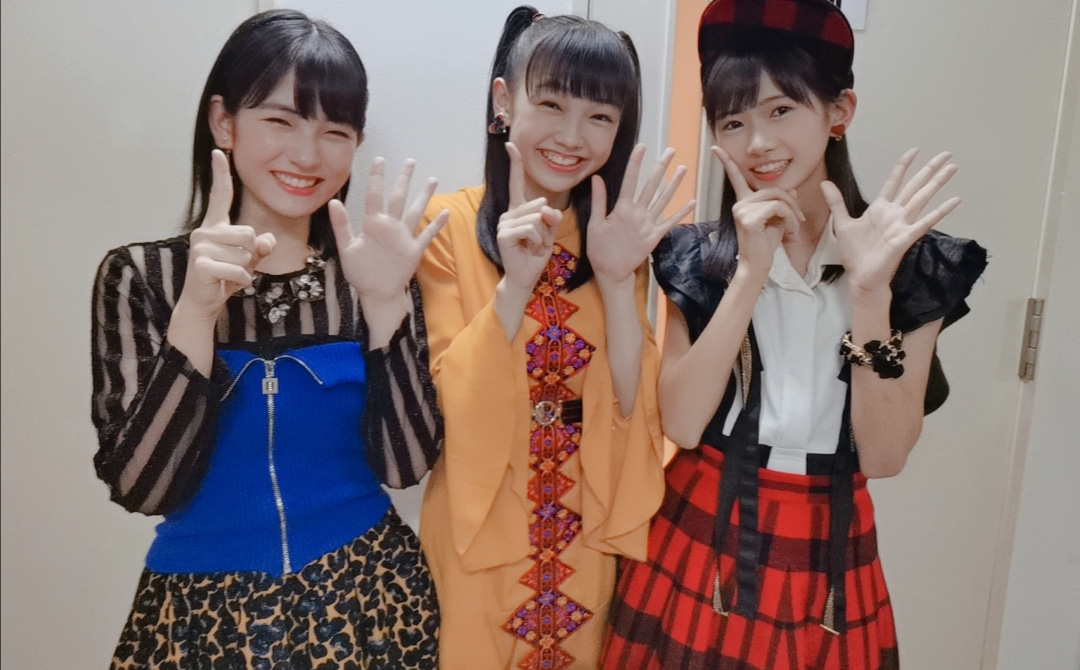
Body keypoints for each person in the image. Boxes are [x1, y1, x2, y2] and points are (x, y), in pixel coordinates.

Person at [602, 1, 988, 668]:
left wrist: (869, 295)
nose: (758, 142)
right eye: (733, 121)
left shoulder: (914, 266)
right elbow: (684, 425)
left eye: (781, 110)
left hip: (830, 534)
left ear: (839, 111)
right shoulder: (695, 258)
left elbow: (885, 455)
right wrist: (750, 273)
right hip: (703, 518)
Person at [90, 10, 449, 668]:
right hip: (200, 616)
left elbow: (405, 467)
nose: (308, 156)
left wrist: (386, 303)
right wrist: (195, 313)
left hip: (370, 600)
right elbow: (143, 489)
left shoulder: (370, 272)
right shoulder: (143, 276)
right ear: (224, 122)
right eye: (281, 121)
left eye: (335, 132)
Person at [413, 6, 695, 669]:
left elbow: (632, 401)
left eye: (600, 116)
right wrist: (514, 286)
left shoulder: (613, 237)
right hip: (479, 523)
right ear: (503, 101)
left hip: (583, 521)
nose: (572, 136)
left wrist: (618, 278)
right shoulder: (447, 226)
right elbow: (450, 397)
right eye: (551, 104)